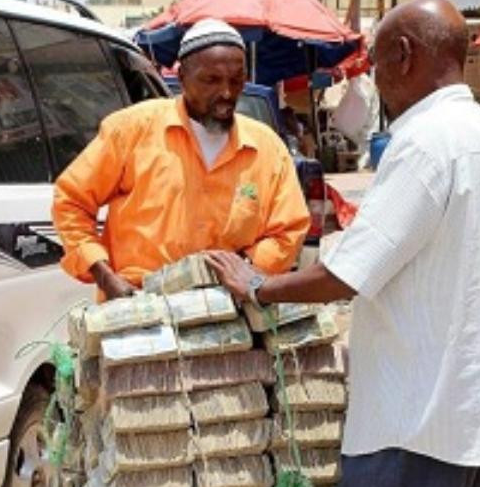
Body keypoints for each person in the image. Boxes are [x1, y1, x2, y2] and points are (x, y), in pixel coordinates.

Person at [205, 0, 480, 487]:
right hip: (470, 425)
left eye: (377, 64)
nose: (375, 80)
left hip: (411, 428)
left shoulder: (425, 144)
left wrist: (258, 286)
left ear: (404, 56)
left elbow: (346, 273)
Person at [51, 18, 310, 300]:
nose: (226, 93)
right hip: (139, 310)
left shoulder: (267, 147)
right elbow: (71, 203)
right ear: (182, 76)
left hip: (230, 317)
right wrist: (104, 275)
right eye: (211, 80)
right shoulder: (131, 130)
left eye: (236, 81)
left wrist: (243, 272)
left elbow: (289, 229)